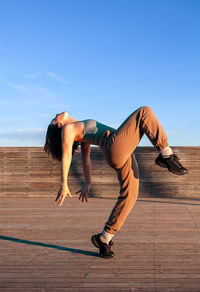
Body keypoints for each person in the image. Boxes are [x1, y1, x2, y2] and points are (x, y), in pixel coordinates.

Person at [44, 106, 188, 258]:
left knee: (130, 196)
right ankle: (166, 155)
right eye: (54, 119)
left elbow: (86, 159)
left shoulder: (78, 129)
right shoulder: (68, 129)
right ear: (58, 125)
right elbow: (67, 156)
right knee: (144, 112)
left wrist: (88, 183)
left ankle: (104, 238)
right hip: (113, 146)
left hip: (121, 153)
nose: (56, 114)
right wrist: (63, 184)